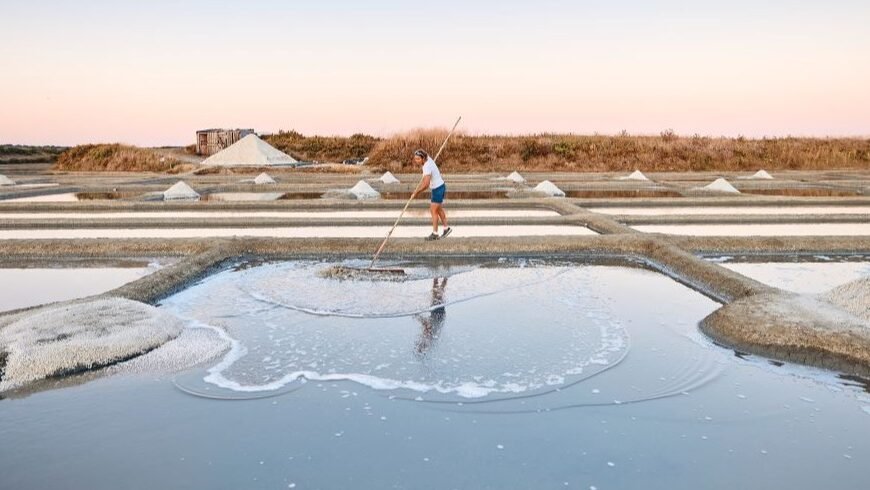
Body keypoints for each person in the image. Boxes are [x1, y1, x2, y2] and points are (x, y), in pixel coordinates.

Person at [410, 149, 451, 240]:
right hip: (439, 186)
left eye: (418, 159)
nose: (416, 161)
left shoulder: (427, 167)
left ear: (423, 158)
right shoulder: (428, 159)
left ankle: (435, 233)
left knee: (433, 210)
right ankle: (446, 228)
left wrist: (416, 193)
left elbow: (425, 184)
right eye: (415, 159)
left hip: (437, 189)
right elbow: (426, 154)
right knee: (439, 209)